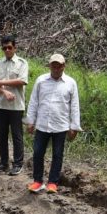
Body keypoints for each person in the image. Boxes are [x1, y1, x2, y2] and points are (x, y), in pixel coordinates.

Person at [25, 53, 81, 193]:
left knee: (57, 154)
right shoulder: (41, 81)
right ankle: (37, 181)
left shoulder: (70, 83)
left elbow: (74, 106)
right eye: (54, 65)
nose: (56, 68)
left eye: (59, 65)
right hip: (42, 124)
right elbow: (34, 102)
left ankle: (52, 183)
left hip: (60, 126)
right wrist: (30, 121)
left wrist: (74, 127)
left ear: (64, 66)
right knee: (38, 153)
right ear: (50, 66)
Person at [0, 34, 29, 175]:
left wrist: (2, 82)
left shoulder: (22, 63)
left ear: (15, 47)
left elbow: (22, 81)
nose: (7, 50)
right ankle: (3, 162)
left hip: (16, 106)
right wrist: (3, 92)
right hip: (1, 104)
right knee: (2, 135)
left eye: (9, 47)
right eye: (4, 48)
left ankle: (17, 164)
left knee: (17, 135)